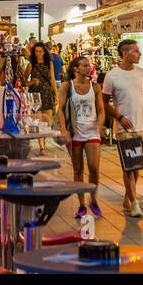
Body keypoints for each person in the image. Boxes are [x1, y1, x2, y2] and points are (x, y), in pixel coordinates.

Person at [102, 39, 143, 217]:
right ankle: (134, 202)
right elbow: (104, 102)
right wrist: (119, 117)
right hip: (124, 127)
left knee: (138, 166)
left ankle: (128, 197)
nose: (139, 54)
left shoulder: (142, 74)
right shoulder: (112, 76)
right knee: (128, 166)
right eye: (136, 51)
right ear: (125, 54)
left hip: (141, 125)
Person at [57, 55, 104, 218]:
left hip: (92, 131)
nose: (88, 68)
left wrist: (99, 126)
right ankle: (82, 204)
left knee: (94, 167)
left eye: (88, 65)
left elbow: (101, 110)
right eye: (84, 65)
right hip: (75, 131)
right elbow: (60, 110)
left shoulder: (95, 87)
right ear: (76, 69)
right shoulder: (67, 86)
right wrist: (64, 129)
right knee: (78, 169)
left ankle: (94, 199)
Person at [25, 42, 58, 115]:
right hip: (35, 95)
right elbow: (23, 82)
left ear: (44, 52)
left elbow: (52, 80)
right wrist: (32, 82)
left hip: (47, 95)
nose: (38, 53)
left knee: (48, 122)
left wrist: (56, 95)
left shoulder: (49, 64)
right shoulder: (31, 65)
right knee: (38, 121)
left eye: (40, 51)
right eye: (36, 51)